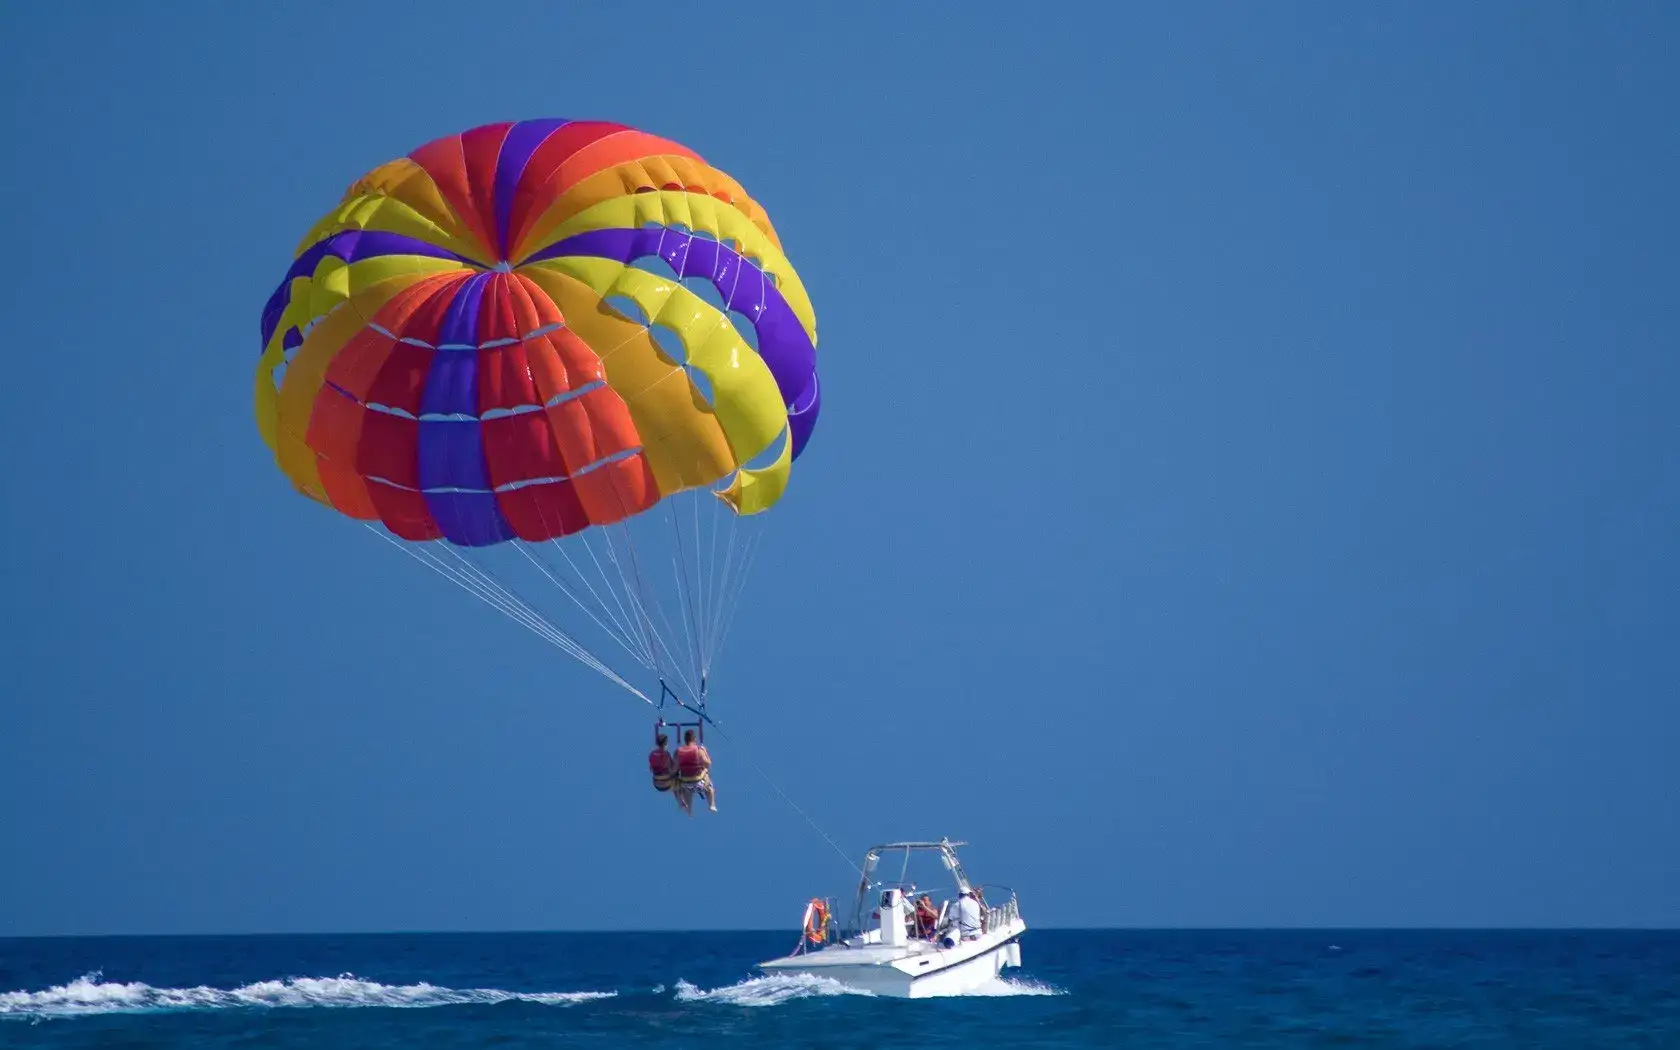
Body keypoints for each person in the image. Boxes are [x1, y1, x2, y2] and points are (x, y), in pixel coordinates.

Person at [675, 729, 717, 814]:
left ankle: (686, 807)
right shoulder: (699, 750)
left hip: (685, 784)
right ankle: (712, 804)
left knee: (683, 788)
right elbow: (708, 763)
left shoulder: (678, 752)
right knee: (709, 785)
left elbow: (675, 767)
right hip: (699, 783)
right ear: (694, 739)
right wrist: (705, 751)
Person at [648, 733, 677, 797]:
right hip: (666, 784)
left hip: (656, 784)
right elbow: (672, 768)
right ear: (666, 744)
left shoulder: (652, 754)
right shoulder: (667, 754)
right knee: (677, 777)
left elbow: (651, 769)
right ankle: (680, 799)